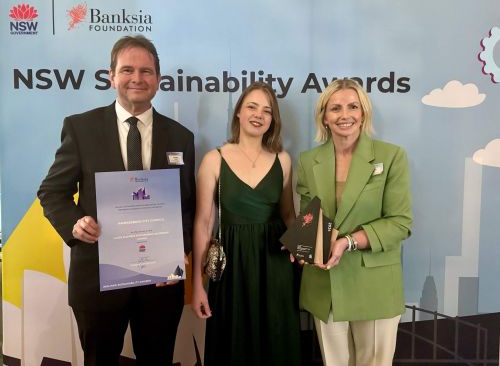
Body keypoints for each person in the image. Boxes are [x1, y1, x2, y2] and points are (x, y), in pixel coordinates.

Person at [37, 35, 195, 365]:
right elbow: (52, 192)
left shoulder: (181, 137)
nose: (137, 78)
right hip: (97, 278)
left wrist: (180, 252)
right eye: (127, 70)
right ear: (111, 77)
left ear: (158, 80)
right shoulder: (81, 128)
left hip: (159, 283)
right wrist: (75, 223)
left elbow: (186, 203)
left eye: (146, 71)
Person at [296, 79, 412, 366]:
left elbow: (400, 223)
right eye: (335, 108)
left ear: (364, 113)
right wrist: (305, 244)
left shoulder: (391, 156)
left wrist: (347, 242)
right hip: (326, 282)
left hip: (374, 283)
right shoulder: (308, 161)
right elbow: (309, 217)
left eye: (352, 106)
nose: (344, 115)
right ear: (324, 116)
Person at [191, 81, 301, 365]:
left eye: (267, 110)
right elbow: (203, 223)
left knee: (276, 342)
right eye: (252, 106)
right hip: (233, 267)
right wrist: (198, 286)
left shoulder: (284, 160)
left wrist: (306, 251)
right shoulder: (214, 159)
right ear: (238, 111)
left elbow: (289, 216)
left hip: (275, 265)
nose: (258, 114)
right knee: (233, 344)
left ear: (273, 119)